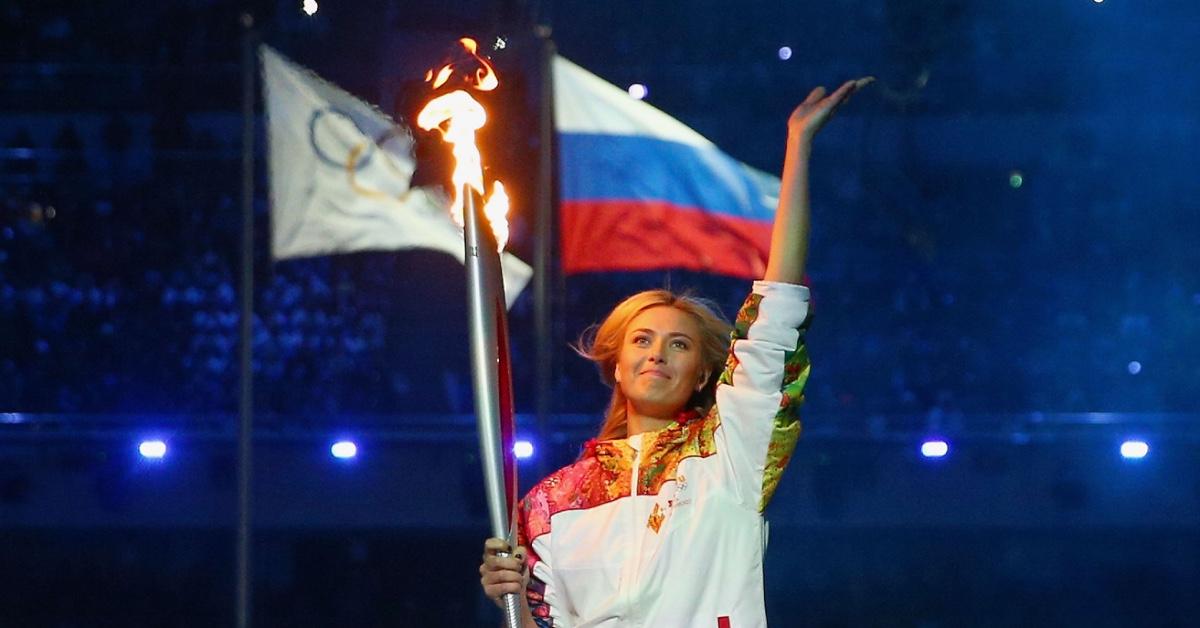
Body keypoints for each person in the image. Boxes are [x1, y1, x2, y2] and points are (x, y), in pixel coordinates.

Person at [480, 77, 873, 627]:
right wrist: (510, 597)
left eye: (678, 344)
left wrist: (798, 145)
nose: (656, 354)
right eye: (641, 340)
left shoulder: (731, 457)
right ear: (617, 365)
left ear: (703, 374)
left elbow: (778, 312)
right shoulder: (548, 505)